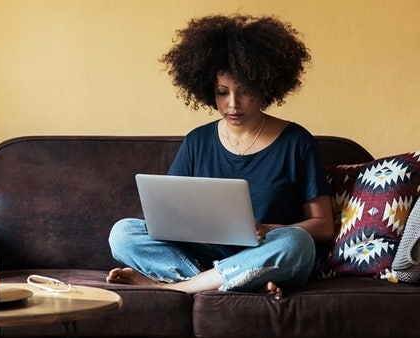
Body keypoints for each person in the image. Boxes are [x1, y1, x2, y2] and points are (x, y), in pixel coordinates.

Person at [106, 14, 334, 299]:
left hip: (266, 250)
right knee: (123, 233)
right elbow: (168, 214)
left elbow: (323, 226)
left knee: (297, 242)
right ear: (207, 90)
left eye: (245, 92)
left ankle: (181, 287)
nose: (233, 104)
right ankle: (239, 280)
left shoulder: (296, 142)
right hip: (203, 252)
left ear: (265, 87)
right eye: (222, 93)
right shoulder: (197, 141)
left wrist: (268, 228)